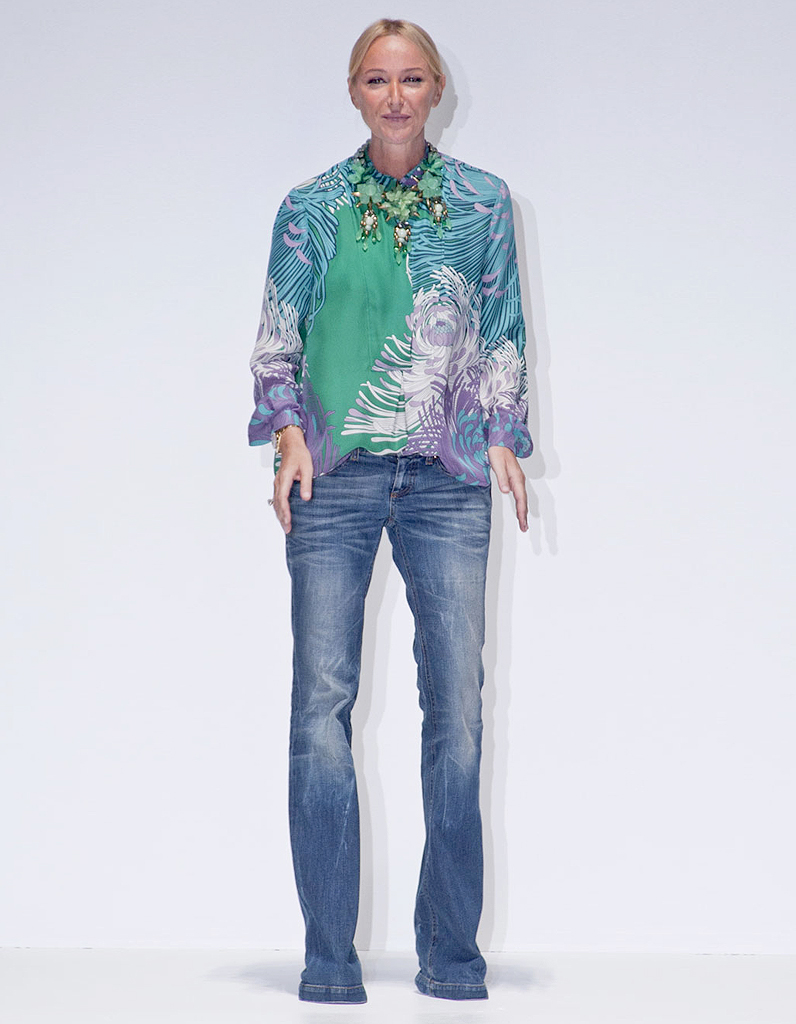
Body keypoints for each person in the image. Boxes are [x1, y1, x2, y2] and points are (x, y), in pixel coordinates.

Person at [248, 18, 532, 1004]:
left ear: (437, 89)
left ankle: (450, 952)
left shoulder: (483, 203)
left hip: (449, 479)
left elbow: (501, 329)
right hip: (332, 479)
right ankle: (329, 955)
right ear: (355, 92)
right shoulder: (311, 208)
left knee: (457, 712)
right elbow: (277, 338)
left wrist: (502, 432)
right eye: (377, 80)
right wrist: (286, 434)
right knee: (320, 707)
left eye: (412, 79)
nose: (396, 96)